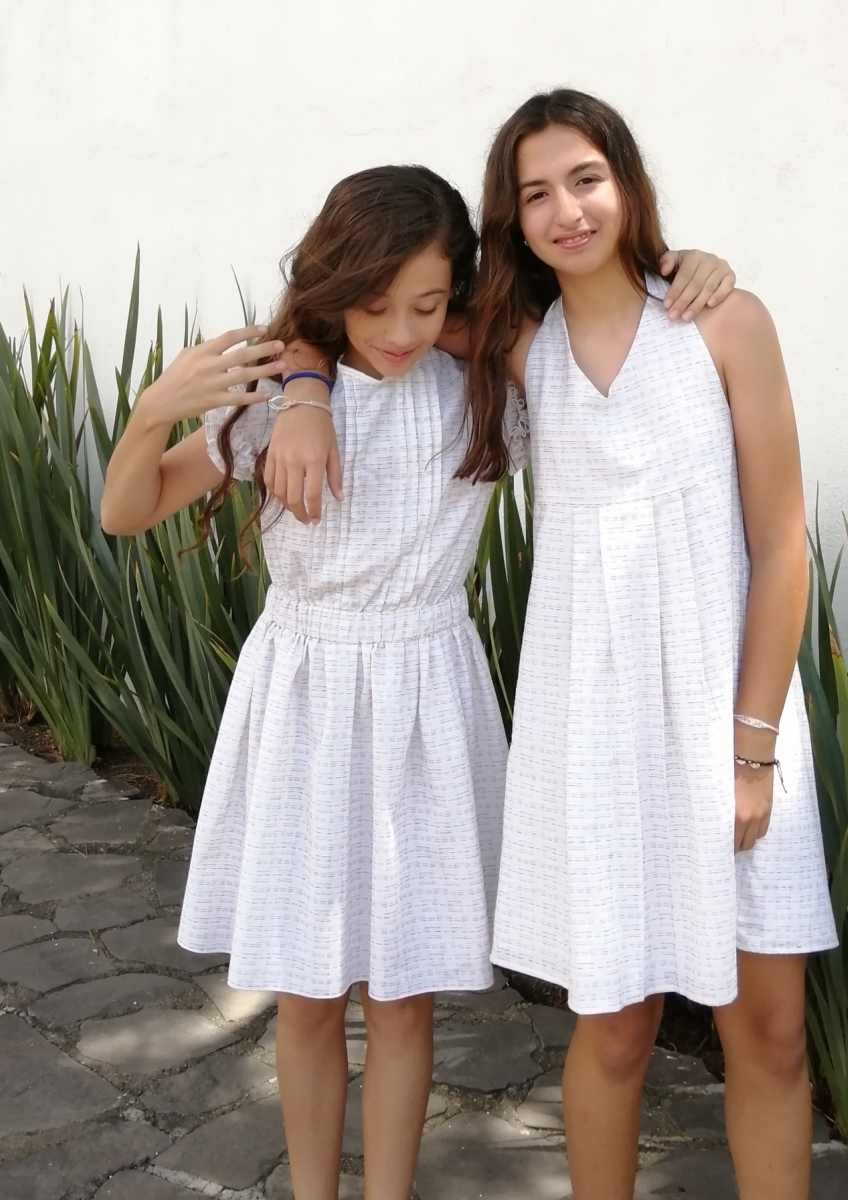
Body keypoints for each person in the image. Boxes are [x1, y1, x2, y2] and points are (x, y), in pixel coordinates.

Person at [99, 162, 733, 1200]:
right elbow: (128, 511)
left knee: (403, 999)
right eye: (375, 304)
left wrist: (675, 267)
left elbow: (594, 331)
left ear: (459, 298)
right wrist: (152, 414)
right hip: (304, 703)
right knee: (306, 996)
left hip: (427, 704)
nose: (400, 330)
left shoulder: (481, 393)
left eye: (430, 304)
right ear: (333, 288)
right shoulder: (274, 400)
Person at [463, 90, 837, 1200]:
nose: (567, 210)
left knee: (767, 1031)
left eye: (586, 179)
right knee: (616, 1027)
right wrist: (298, 392)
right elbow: (353, 310)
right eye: (537, 193)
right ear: (514, 219)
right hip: (597, 733)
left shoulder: (723, 322)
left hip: (731, 718)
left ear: (625, 182)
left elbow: (781, 547)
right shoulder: (519, 347)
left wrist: (753, 752)